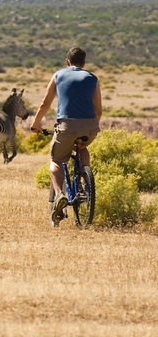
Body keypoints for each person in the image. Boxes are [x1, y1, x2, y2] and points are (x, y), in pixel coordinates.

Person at [30, 47, 102, 226]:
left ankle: (60, 195)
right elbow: (99, 110)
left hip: (66, 126)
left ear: (67, 62)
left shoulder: (58, 75)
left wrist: (35, 124)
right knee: (83, 147)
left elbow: (45, 103)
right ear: (84, 64)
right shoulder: (93, 78)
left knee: (56, 161)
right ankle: (85, 182)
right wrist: (90, 124)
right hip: (90, 126)